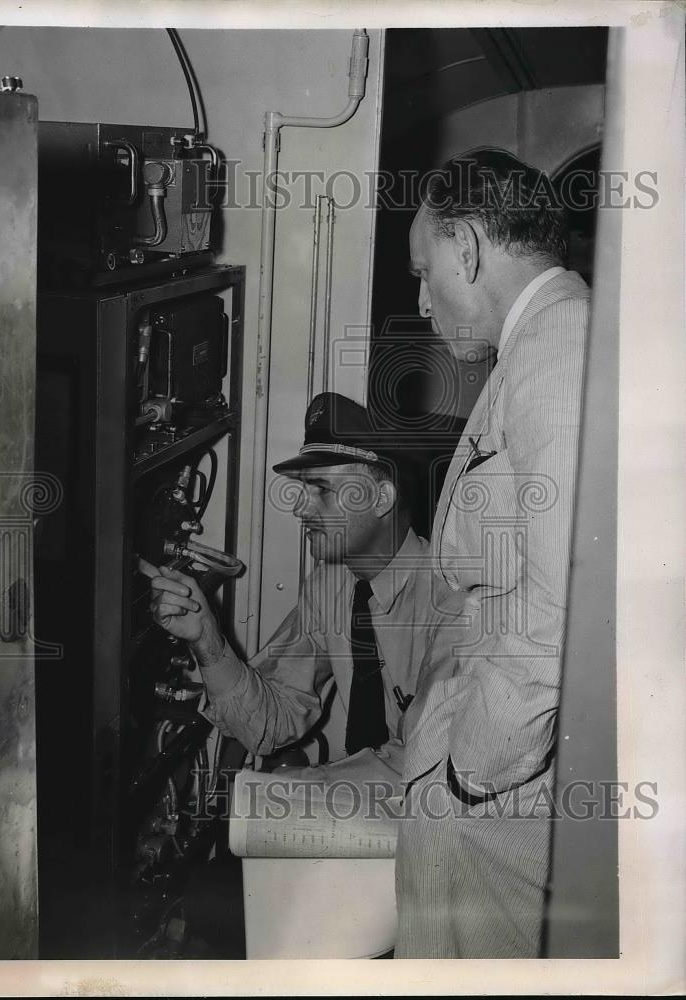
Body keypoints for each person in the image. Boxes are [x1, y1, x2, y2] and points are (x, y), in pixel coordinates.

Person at [375, 147, 590, 958]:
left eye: (424, 272)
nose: (422, 301)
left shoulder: (559, 347)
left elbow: (561, 601)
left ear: (467, 247)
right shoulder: (534, 346)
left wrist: (473, 768)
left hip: (501, 779)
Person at [149, 391, 430, 772]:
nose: (300, 507)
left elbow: (428, 769)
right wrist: (206, 639)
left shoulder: (451, 599)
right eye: (302, 488)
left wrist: (310, 791)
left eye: (322, 490)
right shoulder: (331, 586)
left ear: (381, 498)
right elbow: (271, 722)